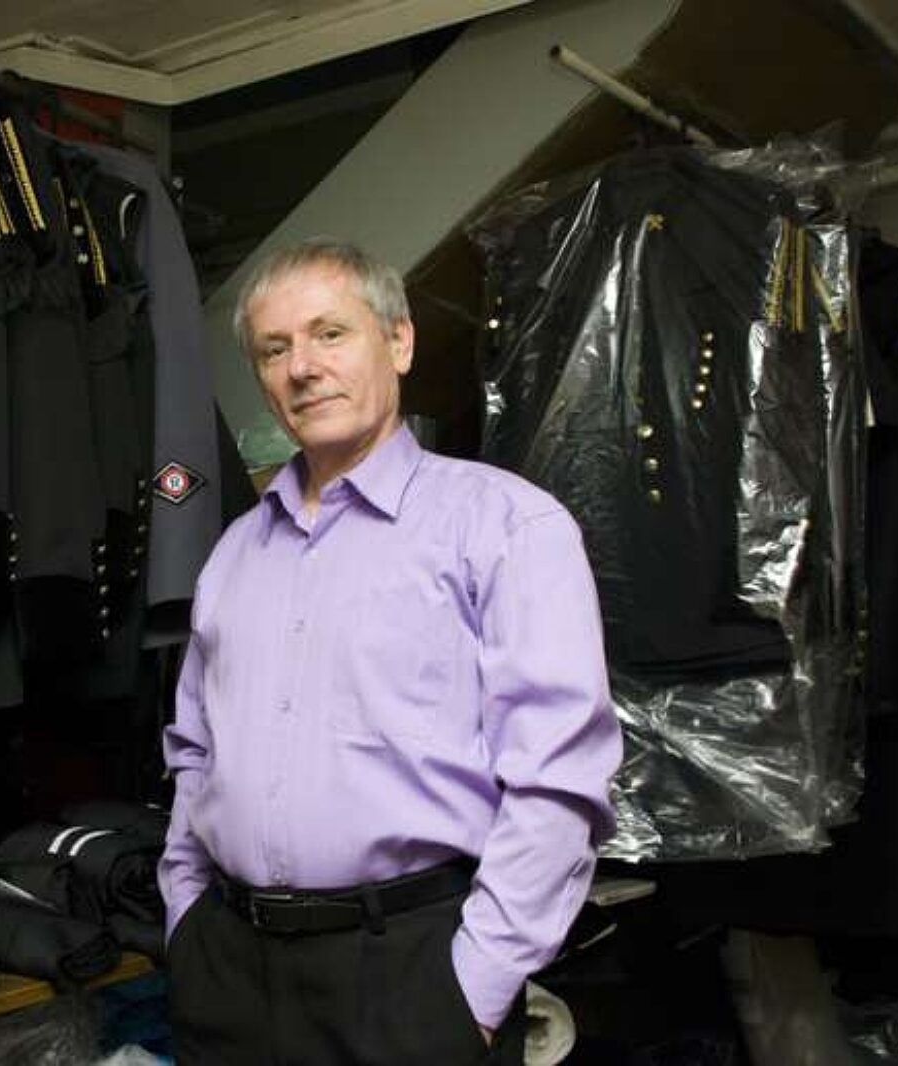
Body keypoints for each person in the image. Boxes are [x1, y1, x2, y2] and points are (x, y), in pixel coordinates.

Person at [158, 238, 622, 1065]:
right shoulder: (233, 552)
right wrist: (185, 918)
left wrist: (475, 990)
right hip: (226, 968)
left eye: (330, 333)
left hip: (410, 973)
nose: (303, 368)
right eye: (274, 349)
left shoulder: (505, 526)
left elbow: (559, 781)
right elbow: (194, 751)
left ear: (399, 342)